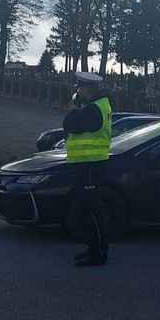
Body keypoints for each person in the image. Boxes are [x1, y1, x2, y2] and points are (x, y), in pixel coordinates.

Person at [64, 71, 112, 267]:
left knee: (91, 208)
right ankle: (93, 247)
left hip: (92, 164)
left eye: (80, 90)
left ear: (86, 89)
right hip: (88, 164)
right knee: (87, 207)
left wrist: (74, 110)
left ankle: (99, 252)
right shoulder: (96, 106)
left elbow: (70, 125)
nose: (78, 94)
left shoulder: (93, 110)